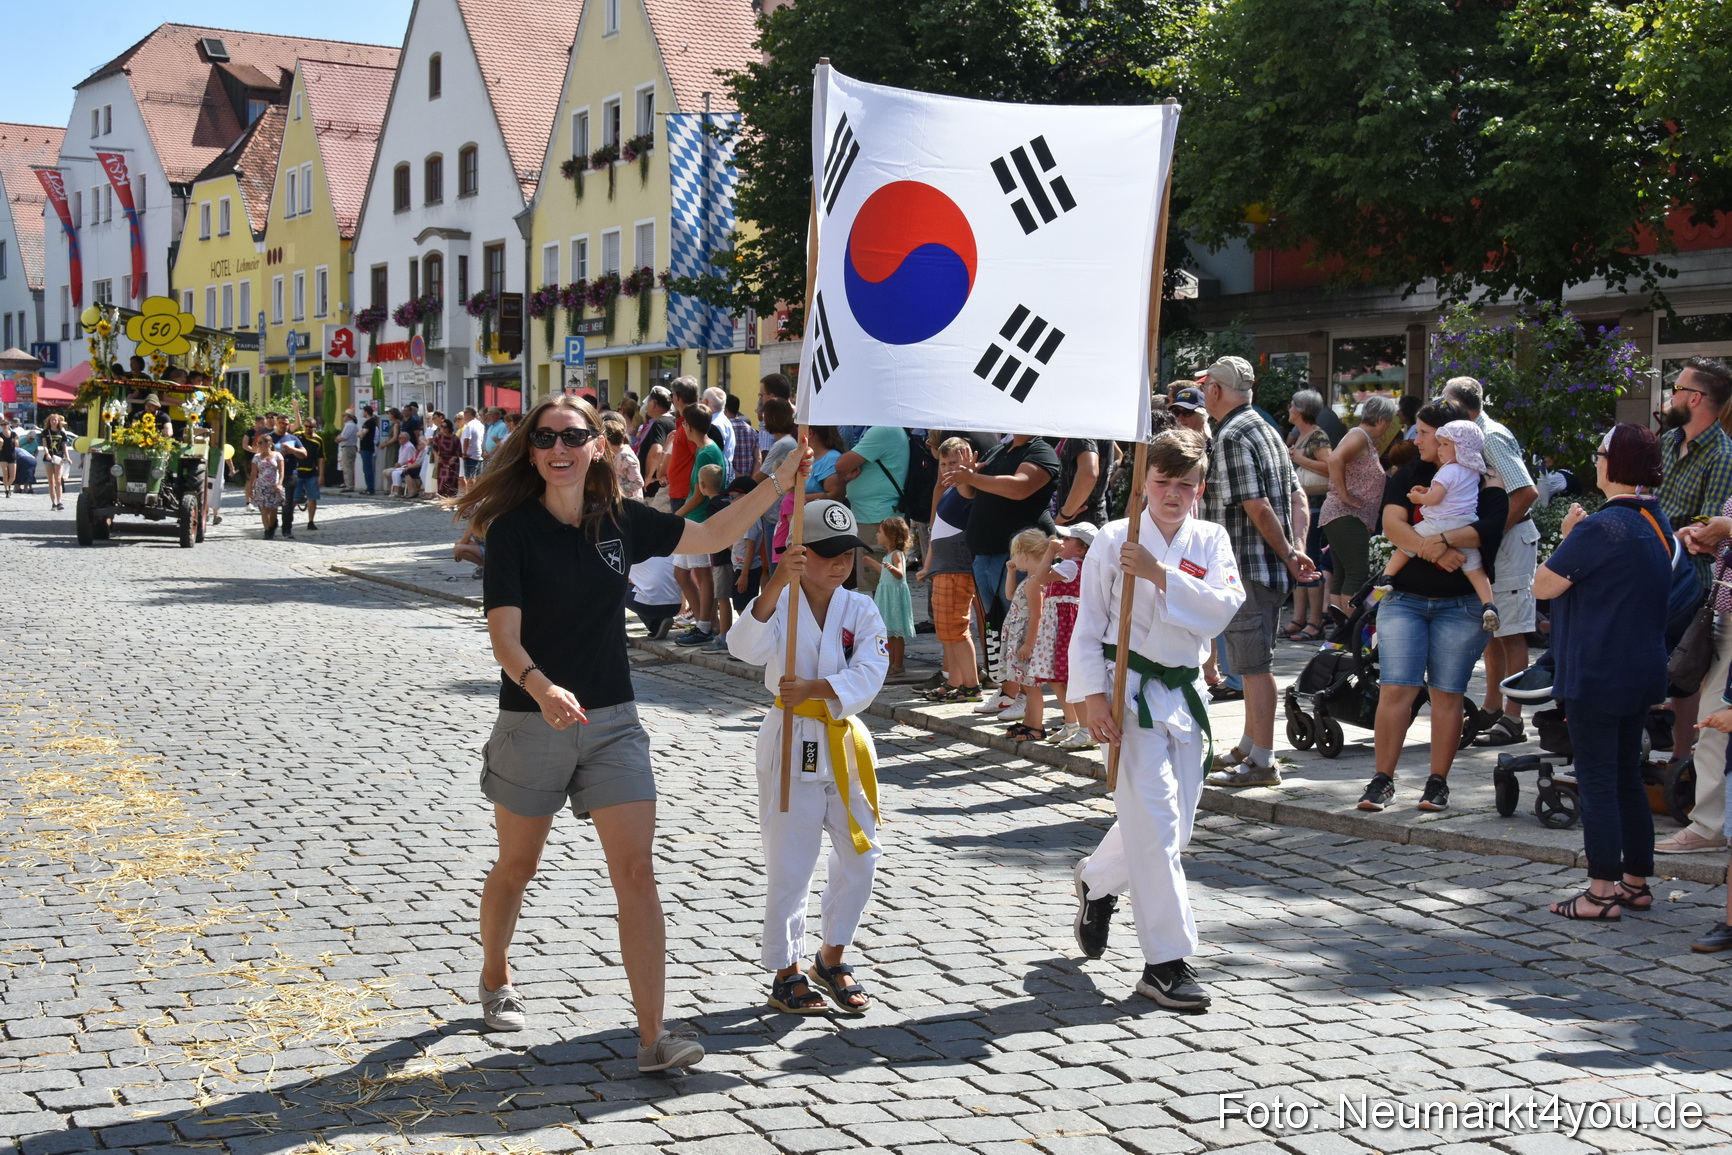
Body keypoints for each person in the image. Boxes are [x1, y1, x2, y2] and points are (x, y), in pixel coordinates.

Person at [448, 393, 807, 1069]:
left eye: (572, 436)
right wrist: (543, 686)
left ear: (596, 447)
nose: (559, 448)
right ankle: (495, 975)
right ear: (531, 450)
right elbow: (504, 636)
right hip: (532, 718)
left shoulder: (620, 521)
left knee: (637, 872)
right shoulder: (513, 531)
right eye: (546, 437)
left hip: (614, 721)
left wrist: (775, 482)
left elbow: (712, 535)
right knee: (517, 866)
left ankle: (652, 1037)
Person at [1069, 428, 1246, 1010]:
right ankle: (1166, 963)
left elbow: (1222, 610)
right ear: (1144, 481)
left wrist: (1158, 573)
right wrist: (1092, 696)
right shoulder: (1115, 539)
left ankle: (1096, 881)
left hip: (1184, 694)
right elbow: (1089, 625)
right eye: (1163, 482)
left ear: (1200, 488)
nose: (1172, 495)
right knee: (1157, 828)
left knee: (1174, 829)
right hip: (1129, 693)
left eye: (1185, 485)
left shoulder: (1212, 539)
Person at [727, 498, 888, 1016]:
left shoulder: (860, 608)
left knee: (862, 857)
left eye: (847, 554)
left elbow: (870, 673)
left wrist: (818, 687)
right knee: (790, 863)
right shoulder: (782, 602)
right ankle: (786, 970)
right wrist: (773, 583)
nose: (840, 564)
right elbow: (742, 647)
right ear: (799, 554)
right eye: (826, 554)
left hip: (839, 735)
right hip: (790, 734)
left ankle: (831, 955)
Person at [1534, 424, 1669, 920]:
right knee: (1626, 774)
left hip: (1599, 668)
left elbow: (1543, 586)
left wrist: (1568, 536)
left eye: (1599, 454)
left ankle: (1602, 891)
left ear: (1614, 463)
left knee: (1597, 778)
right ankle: (1635, 880)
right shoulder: (1655, 520)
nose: (1594, 461)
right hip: (1641, 665)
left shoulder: (1602, 526)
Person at [1355, 401, 1508, 814]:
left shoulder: (1485, 477)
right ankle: (1381, 781)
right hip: (1404, 600)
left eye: (1423, 433)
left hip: (1461, 606)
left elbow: (1489, 529)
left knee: (1447, 693)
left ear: (1450, 438)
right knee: (1397, 688)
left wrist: (1441, 542)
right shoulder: (1411, 472)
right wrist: (1435, 550)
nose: (1414, 439)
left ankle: (1437, 784)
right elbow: (1391, 525)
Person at [1197, 356, 1315, 789]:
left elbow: (1256, 505)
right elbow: (1297, 497)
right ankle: (1250, 746)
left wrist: (1288, 553)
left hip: (1246, 566)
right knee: (1251, 661)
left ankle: (1262, 761)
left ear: (1214, 390)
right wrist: (1296, 549)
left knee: (1254, 666)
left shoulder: (1231, 434)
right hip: (1260, 566)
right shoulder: (1266, 428)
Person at [1441, 377, 1542, 748]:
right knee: (1493, 627)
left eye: (1447, 407)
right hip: (1496, 540)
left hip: (1510, 541)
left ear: (1465, 409)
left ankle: (1513, 720)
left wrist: (1492, 532)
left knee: (1512, 630)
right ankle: (1492, 707)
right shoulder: (1473, 433)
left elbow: (1527, 491)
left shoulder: (1491, 436)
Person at [949, 434, 1062, 673]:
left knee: (1021, 626)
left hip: (1018, 559)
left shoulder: (1041, 451)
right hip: (985, 554)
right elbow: (970, 491)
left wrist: (973, 477)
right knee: (1000, 627)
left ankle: (1024, 691)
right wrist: (965, 476)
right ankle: (1007, 688)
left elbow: (1019, 487)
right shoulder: (1000, 451)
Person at [1376, 419, 1499, 631]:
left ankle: (1387, 577)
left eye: (1444, 445)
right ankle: (1489, 605)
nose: (1440, 449)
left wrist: (1418, 498)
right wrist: (1428, 492)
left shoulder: (1447, 471)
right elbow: (1452, 494)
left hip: (1440, 522)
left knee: (1406, 547)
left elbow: (1435, 499)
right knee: (1476, 570)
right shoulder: (1474, 471)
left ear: (1459, 448)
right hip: (1467, 523)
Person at [919, 438, 983, 704]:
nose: (947, 469)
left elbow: (968, 482)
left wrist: (966, 470)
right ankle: (955, 681)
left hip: (957, 568)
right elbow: (937, 532)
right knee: (946, 629)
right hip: (942, 568)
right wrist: (928, 566)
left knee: (956, 628)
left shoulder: (965, 488)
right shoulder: (947, 491)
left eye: (953, 463)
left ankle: (972, 686)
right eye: (943, 464)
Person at [1319, 395, 1397, 615]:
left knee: (1343, 573)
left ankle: (1340, 632)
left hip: (1342, 516)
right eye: (1389, 423)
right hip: (1346, 515)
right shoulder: (1359, 436)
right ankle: (1351, 631)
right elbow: (1335, 460)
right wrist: (1344, 496)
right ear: (1381, 420)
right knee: (1357, 573)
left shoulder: (1359, 437)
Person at [1031, 522, 1095, 749]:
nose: (1061, 541)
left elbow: (1041, 577)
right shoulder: (1068, 564)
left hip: (1064, 624)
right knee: (1057, 676)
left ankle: (1086, 728)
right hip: (1057, 624)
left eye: (1067, 540)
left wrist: (1049, 552)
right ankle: (1072, 722)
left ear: (1080, 550)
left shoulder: (1071, 566)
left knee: (1068, 676)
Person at [671, 405, 728, 646]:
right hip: (693, 518)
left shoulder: (706, 452)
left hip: (699, 519)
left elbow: (698, 495)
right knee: (681, 573)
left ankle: (705, 626)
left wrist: (676, 516)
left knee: (702, 574)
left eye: (684, 424)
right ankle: (706, 622)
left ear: (689, 427)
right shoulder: (704, 449)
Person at [833, 426, 911, 597]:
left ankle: (884, 623)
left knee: (881, 587)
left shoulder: (883, 429)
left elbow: (841, 464)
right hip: (875, 515)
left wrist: (844, 473)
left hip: (876, 518)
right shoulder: (888, 429)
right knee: (879, 587)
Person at [1284, 390, 1334, 642]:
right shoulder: (1303, 435)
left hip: (1314, 508)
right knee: (1299, 561)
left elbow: (1330, 467)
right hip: (1301, 508)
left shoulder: (1317, 436)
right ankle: (1299, 618)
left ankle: (1315, 622)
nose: (1289, 407)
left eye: (1293, 404)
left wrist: (1301, 459)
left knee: (1310, 561)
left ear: (1301, 410)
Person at [1001, 529, 1055, 743]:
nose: (1013, 559)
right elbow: (1009, 595)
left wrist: (1028, 643)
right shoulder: (1029, 579)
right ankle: (1029, 723)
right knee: (1026, 684)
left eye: (1014, 555)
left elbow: (1036, 615)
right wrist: (1011, 573)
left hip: (1026, 638)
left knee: (1032, 686)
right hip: (1020, 636)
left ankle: (1037, 726)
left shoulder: (1035, 583)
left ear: (1024, 555)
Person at [863, 516, 914, 677]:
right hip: (887, 595)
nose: (877, 535)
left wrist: (892, 567)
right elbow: (885, 572)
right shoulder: (888, 555)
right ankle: (891, 662)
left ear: (891, 535)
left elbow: (900, 574)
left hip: (894, 598)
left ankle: (898, 664)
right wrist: (873, 563)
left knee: (896, 633)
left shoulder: (897, 555)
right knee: (889, 632)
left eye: (880, 532)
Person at [1054, 437, 1109, 529]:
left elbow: (1089, 474)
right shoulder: (1099, 430)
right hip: (1089, 522)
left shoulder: (1083, 431)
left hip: (1079, 526)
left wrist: (1065, 515)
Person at [288, 416, 324, 531]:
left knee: (312, 498)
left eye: (310, 427)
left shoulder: (318, 440)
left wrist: (321, 475)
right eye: (306, 426)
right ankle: (288, 521)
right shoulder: (297, 436)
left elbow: (321, 458)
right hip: (297, 473)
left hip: (311, 473)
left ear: (315, 427)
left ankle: (311, 522)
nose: (308, 429)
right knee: (293, 498)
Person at [603, 412, 644, 500]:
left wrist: (617, 490)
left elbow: (638, 482)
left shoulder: (625, 455)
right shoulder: (618, 453)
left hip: (631, 502)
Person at [252, 434, 286, 538]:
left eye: (261, 442)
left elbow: (281, 471)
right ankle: (267, 531)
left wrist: (280, 484)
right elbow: (253, 474)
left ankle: (272, 526)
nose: (259, 445)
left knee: (273, 511)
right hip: (261, 486)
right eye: (258, 443)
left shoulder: (277, 456)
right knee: (264, 509)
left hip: (274, 486)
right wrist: (250, 489)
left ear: (269, 443)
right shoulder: (256, 457)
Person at [725, 393, 758, 483]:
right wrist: (751, 481)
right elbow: (758, 459)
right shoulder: (752, 430)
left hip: (730, 482)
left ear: (725, 409)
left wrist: (738, 478)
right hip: (748, 482)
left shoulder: (725, 429)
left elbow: (723, 458)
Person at [432, 416, 463, 499]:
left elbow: (458, 450)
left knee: (451, 480)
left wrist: (454, 457)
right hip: (442, 460)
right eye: (442, 426)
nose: (443, 429)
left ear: (449, 427)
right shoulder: (438, 437)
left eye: (445, 427)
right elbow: (434, 448)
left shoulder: (455, 438)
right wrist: (437, 456)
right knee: (442, 480)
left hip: (453, 461)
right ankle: (443, 498)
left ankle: (451, 499)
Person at [458, 407, 486, 492]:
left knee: (470, 479)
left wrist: (464, 453)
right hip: (477, 455)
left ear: (468, 414)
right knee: (475, 478)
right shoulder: (480, 424)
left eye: (464, 413)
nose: (464, 416)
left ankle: (471, 501)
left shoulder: (470, 425)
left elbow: (467, 440)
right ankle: (473, 500)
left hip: (470, 456)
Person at [389, 430, 422, 497]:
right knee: (393, 472)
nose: (398, 439)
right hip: (408, 466)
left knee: (396, 473)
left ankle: (398, 491)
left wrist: (404, 465)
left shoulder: (409, 447)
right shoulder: (403, 446)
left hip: (412, 467)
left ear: (405, 438)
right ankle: (396, 490)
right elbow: (412, 460)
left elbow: (415, 462)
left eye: (400, 438)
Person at [358, 405, 379, 495]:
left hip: (367, 448)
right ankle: (368, 487)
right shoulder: (368, 422)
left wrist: (359, 433)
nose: (362, 413)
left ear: (366, 412)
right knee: (366, 469)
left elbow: (362, 434)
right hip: (364, 447)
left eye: (363, 411)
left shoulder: (370, 422)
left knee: (368, 469)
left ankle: (370, 488)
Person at [337, 409, 359, 493]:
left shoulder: (349, 425)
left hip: (348, 447)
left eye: (344, 415)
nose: (343, 417)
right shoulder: (353, 425)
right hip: (351, 447)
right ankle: (349, 484)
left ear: (348, 416)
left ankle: (349, 485)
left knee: (347, 467)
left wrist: (338, 439)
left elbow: (344, 437)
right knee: (349, 466)